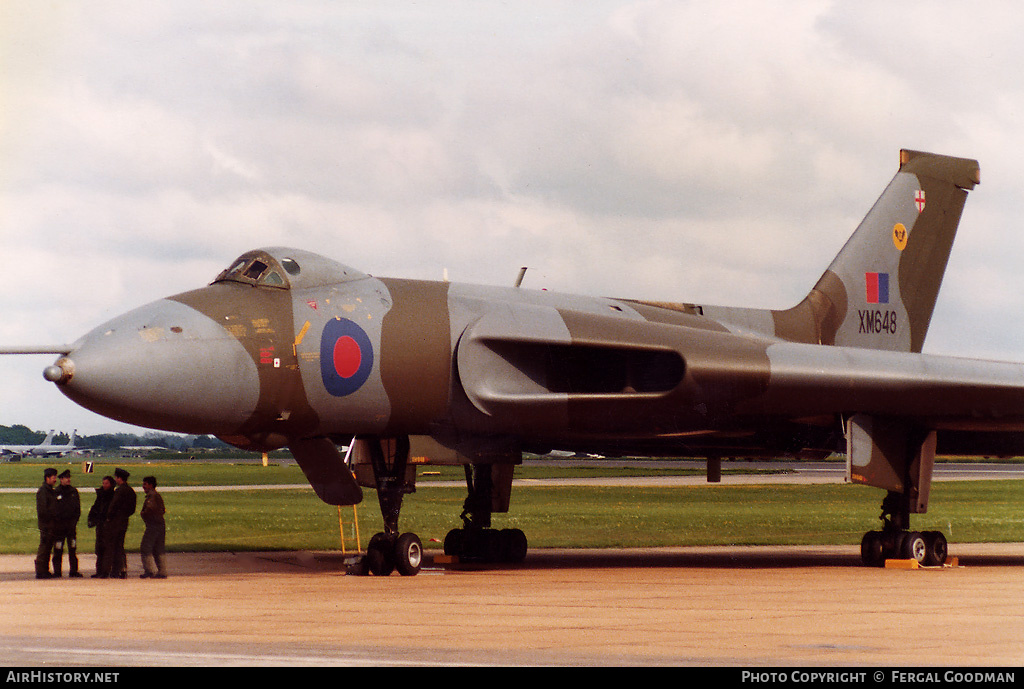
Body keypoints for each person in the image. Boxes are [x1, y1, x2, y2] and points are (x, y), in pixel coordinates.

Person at [97, 468, 136, 579]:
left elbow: (113, 507)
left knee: (110, 547)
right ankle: (122, 570)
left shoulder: (119, 491)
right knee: (120, 547)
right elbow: (132, 509)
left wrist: (109, 518)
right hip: (124, 521)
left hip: (114, 523)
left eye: (116, 477)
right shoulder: (131, 491)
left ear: (119, 478)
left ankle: (106, 571)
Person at [52, 469, 82, 578]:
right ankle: (57, 572)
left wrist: (74, 522)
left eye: (69, 477)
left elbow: (77, 510)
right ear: (61, 479)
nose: (68, 479)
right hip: (59, 527)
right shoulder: (56, 492)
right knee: (58, 549)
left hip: (71, 527)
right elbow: (54, 509)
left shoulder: (74, 491)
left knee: (72, 549)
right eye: (66, 478)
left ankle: (73, 571)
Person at [139, 476, 167, 579]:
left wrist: (143, 514)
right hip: (160, 524)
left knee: (146, 547)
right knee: (159, 548)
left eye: (145, 484)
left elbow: (150, 509)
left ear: (151, 485)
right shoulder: (157, 495)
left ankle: (150, 570)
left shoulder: (152, 496)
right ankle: (162, 571)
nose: (143, 486)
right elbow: (163, 510)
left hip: (153, 525)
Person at [87, 476, 115, 578]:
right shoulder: (101, 495)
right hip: (100, 524)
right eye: (103, 483)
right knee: (99, 548)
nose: (104, 485)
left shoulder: (112, 496)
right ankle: (99, 571)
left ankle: (105, 571)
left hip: (107, 525)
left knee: (106, 548)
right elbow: (95, 508)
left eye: (106, 483)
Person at [34, 468, 59, 579]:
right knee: (44, 547)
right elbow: (43, 510)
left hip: (52, 525)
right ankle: (40, 571)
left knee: (48, 547)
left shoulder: (50, 491)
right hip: (46, 525)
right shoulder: (43, 492)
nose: (55, 479)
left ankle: (45, 570)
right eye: (53, 477)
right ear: (47, 478)